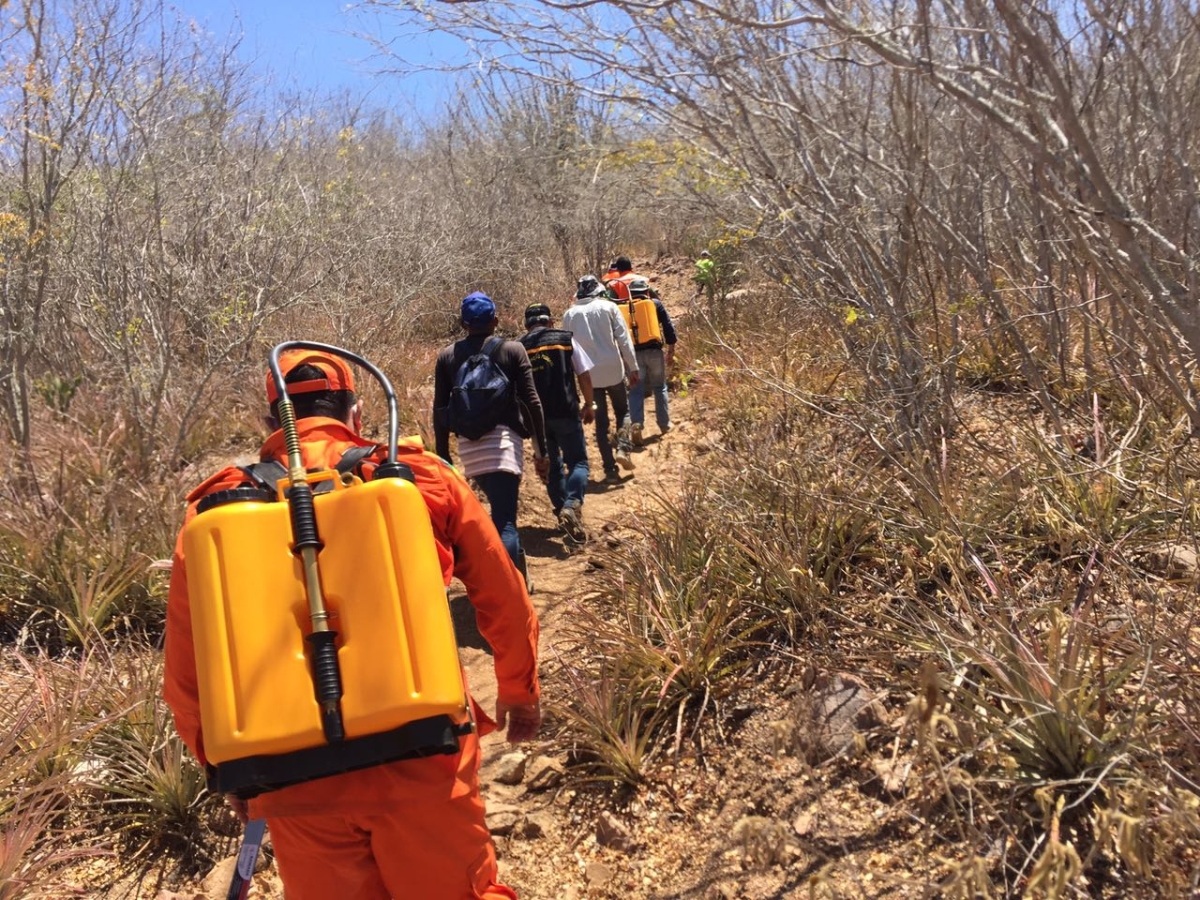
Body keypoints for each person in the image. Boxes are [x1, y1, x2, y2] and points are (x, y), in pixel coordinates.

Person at [163, 348, 541, 900]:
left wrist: (225, 766)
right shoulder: (418, 475)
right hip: (423, 758)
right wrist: (518, 688)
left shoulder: (214, 512)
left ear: (271, 424)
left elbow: (187, 666)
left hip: (295, 781)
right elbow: (502, 594)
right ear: (357, 414)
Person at [433, 292, 548, 586]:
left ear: (463, 323)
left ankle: (519, 575)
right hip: (504, 445)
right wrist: (541, 448)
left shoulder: (448, 356)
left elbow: (440, 409)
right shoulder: (513, 350)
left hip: (469, 450)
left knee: (499, 512)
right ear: (495, 320)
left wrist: (443, 457)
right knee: (505, 521)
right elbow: (532, 401)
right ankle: (510, 589)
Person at [519, 302, 596, 541]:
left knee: (551, 467)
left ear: (526, 324)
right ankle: (572, 505)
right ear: (550, 321)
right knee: (579, 462)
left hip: (536, 420)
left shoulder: (518, 347)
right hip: (566, 411)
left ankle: (562, 513)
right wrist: (589, 404)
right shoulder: (564, 339)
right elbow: (584, 374)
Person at [561, 275, 640, 483]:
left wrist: (571, 380)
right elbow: (624, 339)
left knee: (601, 423)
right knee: (623, 411)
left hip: (589, 376)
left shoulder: (569, 315)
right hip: (613, 369)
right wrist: (633, 367)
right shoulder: (608, 307)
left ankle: (610, 471)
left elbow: (568, 350)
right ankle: (623, 448)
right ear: (597, 290)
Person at [624, 276, 678, 445]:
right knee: (659, 386)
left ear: (631, 294)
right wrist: (671, 350)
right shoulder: (655, 304)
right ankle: (664, 425)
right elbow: (668, 328)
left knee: (635, 390)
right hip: (654, 351)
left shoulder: (624, 308)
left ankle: (637, 426)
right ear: (647, 291)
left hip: (633, 354)